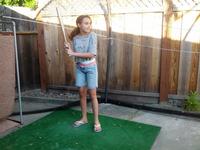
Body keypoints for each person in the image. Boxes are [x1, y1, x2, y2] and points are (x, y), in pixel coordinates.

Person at [64, 15, 102, 132]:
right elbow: (74, 54)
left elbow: (91, 54)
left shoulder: (93, 36)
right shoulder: (75, 38)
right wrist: (68, 49)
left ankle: (96, 121)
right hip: (80, 67)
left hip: (91, 68)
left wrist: (73, 53)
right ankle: (84, 118)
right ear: (79, 24)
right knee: (81, 93)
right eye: (86, 23)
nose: (88, 25)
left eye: (90, 23)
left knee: (93, 94)